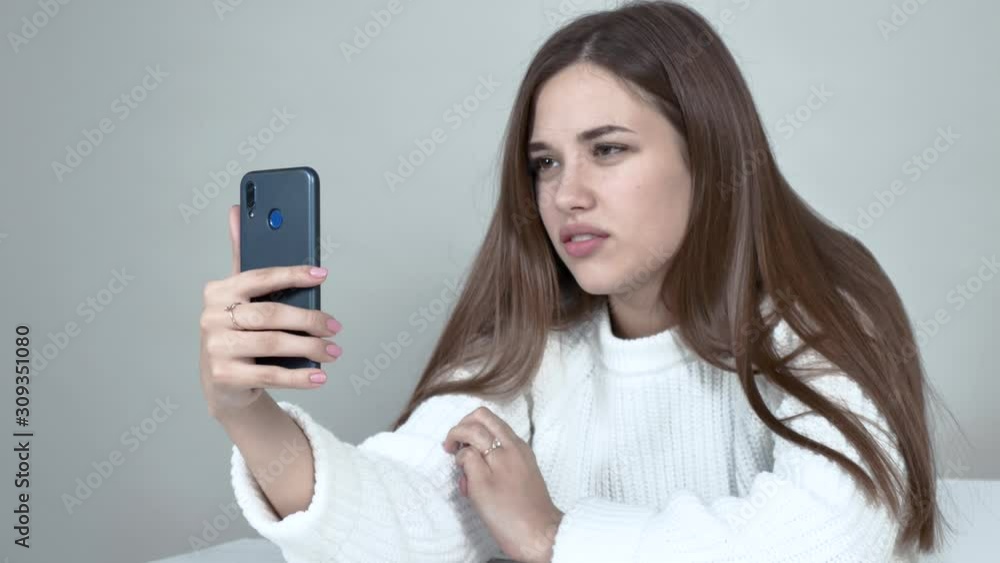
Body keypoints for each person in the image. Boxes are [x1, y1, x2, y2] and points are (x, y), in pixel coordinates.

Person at [199, 2, 943, 561]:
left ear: (709, 155)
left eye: (608, 150)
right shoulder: (538, 340)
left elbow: (829, 537)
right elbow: (402, 525)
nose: (566, 195)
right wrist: (246, 412)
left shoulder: (822, 311)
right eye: (545, 163)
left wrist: (554, 535)